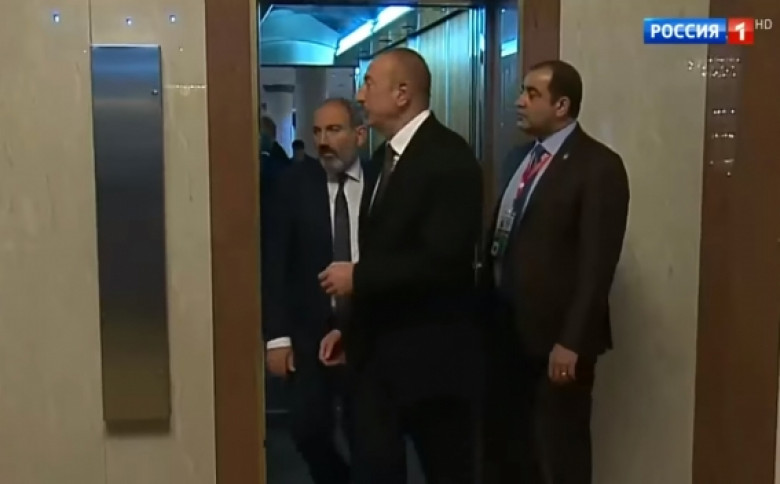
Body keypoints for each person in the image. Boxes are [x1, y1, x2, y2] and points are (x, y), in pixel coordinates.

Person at [318, 48, 483, 484]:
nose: (360, 94)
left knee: (447, 470)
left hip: (431, 361)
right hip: (377, 359)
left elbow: (443, 261)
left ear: (402, 93)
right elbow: (384, 251)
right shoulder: (381, 161)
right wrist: (350, 328)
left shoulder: (449, 157)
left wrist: (358, 277)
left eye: (369, 83)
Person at [481, 60, 630, 484]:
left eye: (532, 94)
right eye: (522, 92)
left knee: (559, 449)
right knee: (512, 447)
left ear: (562, 105)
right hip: (507, 330)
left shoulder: (597, 165)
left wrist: (572, 341)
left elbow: (597, 264)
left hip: (556, 340)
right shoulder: (518, 158)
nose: (519, 102)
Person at [263, 98, 378, 484]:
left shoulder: (382, 180)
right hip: (309, 330)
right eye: (317, 131)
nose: (323, 141)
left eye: (334, 130)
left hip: (366, 329)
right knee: (307, 429)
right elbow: (276, 262)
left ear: (359, 135)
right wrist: (277, 337)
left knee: (370, 437)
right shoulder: (292, 185)